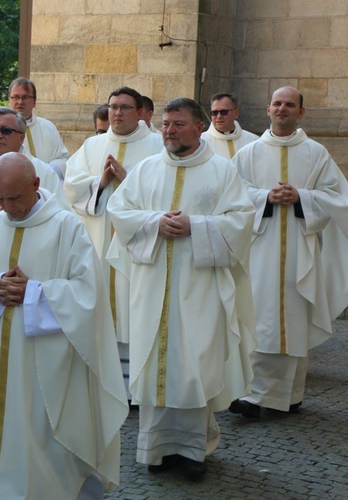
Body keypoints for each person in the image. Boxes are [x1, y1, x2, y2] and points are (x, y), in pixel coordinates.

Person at [0, 152, 128, 498]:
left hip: (46, 364)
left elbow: (88, 295)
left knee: (41, 439)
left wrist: (34, 292)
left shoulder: (66, 227)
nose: (7, 207)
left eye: (14, 197)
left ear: (36, 184)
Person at [107, 97, 256, 481]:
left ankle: (193, 451)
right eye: (166, 125)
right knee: (155, 359)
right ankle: (156, 449)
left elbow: (242, 221)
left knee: (194, 364)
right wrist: (156, 222)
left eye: (178, 124)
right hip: (152, 286)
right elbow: (120, 212)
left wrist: (198, 226)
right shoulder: (144, 171)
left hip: (200, 287)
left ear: (200, 126)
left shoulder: (222, 172)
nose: (169, 131)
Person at [231, 86, 348, 417]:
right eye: (277, 103)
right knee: (260, 318)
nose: (282, 109)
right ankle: (262, 394)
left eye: (290, 104)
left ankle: (284, 396)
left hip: (298, 250)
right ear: (268, 110)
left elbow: (339, 199)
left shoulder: (316, 153)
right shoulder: (248, 153)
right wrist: (264, 197)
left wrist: (302, 198)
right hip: (258, 249)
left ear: (301, 113)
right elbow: (231, 194)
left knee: (291, 318)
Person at [64, 86, 163, 398]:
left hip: (136, 247)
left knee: (134, 307)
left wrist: (127, 177)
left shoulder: (157, 146)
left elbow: (164, 190)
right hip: (96, 242)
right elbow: (71, 188)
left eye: (124, 107)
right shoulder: (92, 145)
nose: (117, 113)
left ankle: (134, 388)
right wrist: (101, 182)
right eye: (112, 107)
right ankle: (102, 386)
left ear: (140, 112)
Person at [0, 107, 66, 230]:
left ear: (21, 138)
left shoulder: (44, 173)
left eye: (6, 131)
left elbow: (60, 216)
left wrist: (20, 215)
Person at [0, 77, 70, 180]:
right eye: (16, 97)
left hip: (42, 185)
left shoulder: (48, 128)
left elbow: (62, 158)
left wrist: (47, 171)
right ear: (9, 100)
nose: (20, 102)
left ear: (34, 102)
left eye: (25, 97)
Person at [201, 93, 258, 159]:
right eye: (215, 113)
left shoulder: (253, 141)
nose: (219, 116)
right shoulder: (201, 143)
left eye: (224, 112)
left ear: (236, 113)